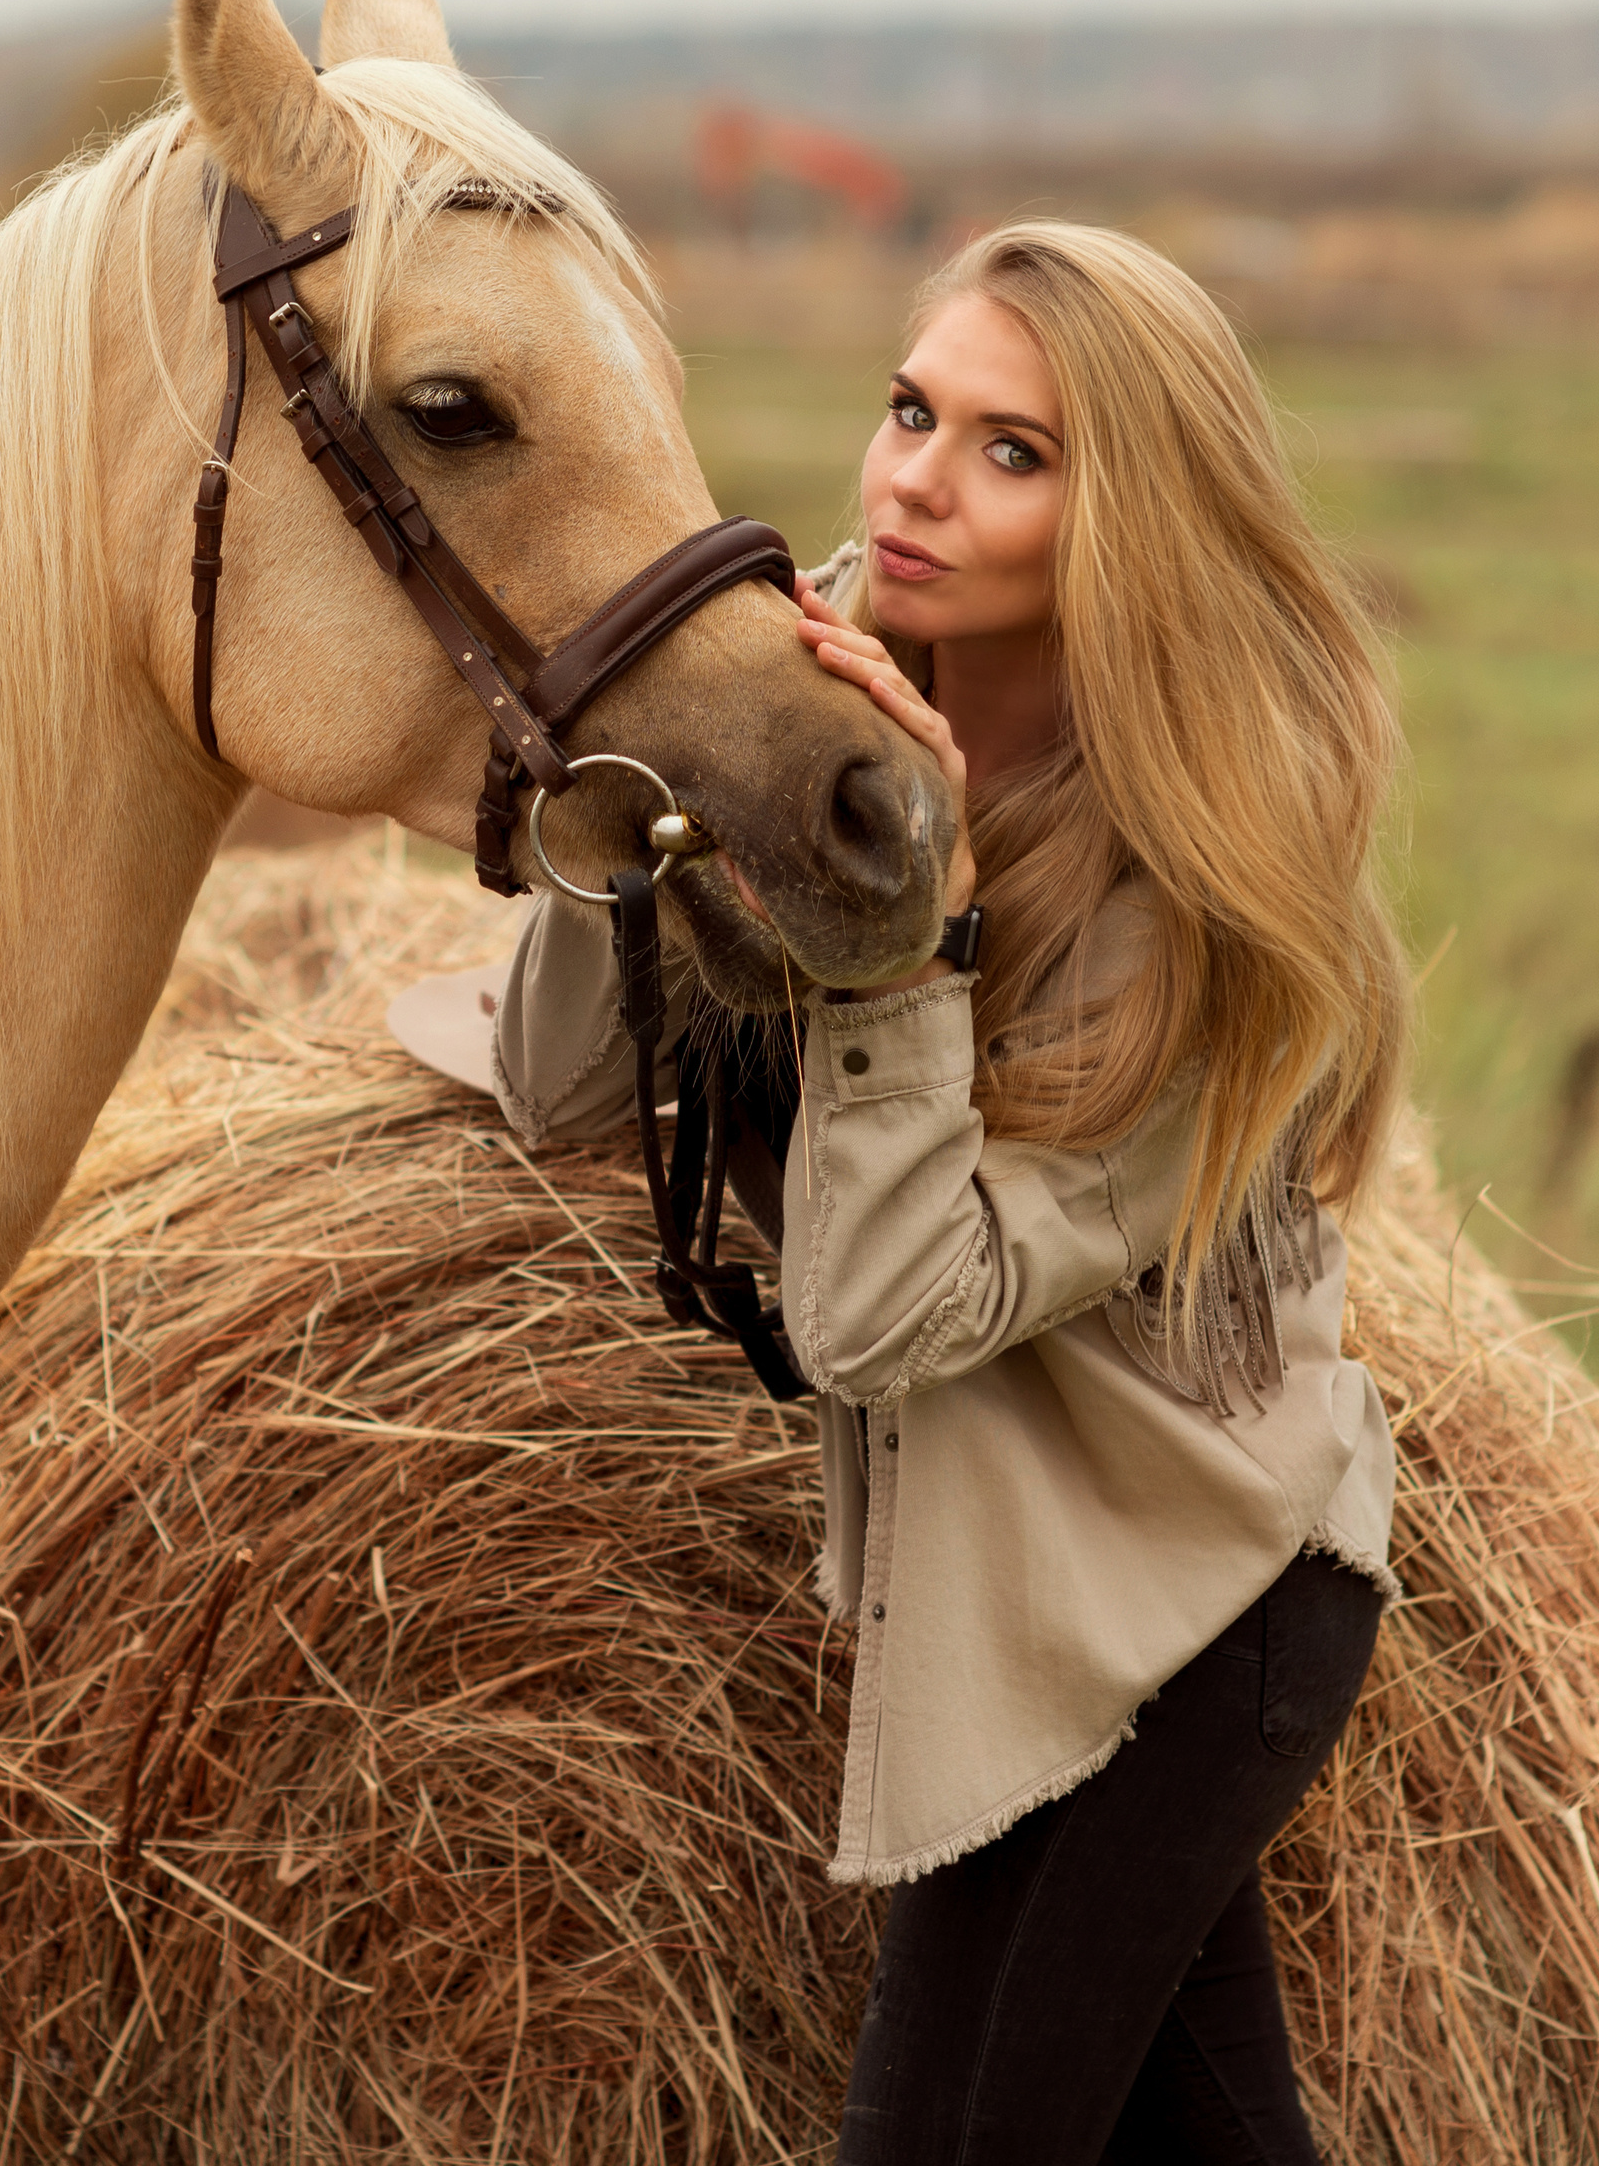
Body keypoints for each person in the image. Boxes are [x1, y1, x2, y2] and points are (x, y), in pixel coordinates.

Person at [489, 223, 1408, 2164]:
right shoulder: (801, 692)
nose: (910, 476)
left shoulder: (1200, 899)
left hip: (1186, 1598)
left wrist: (909, 916)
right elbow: (559, 1084)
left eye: (1012, 449)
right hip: (1010, 1553)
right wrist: (652, 751)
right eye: (912, 408)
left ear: (1127, 520)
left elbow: (878, 1309)